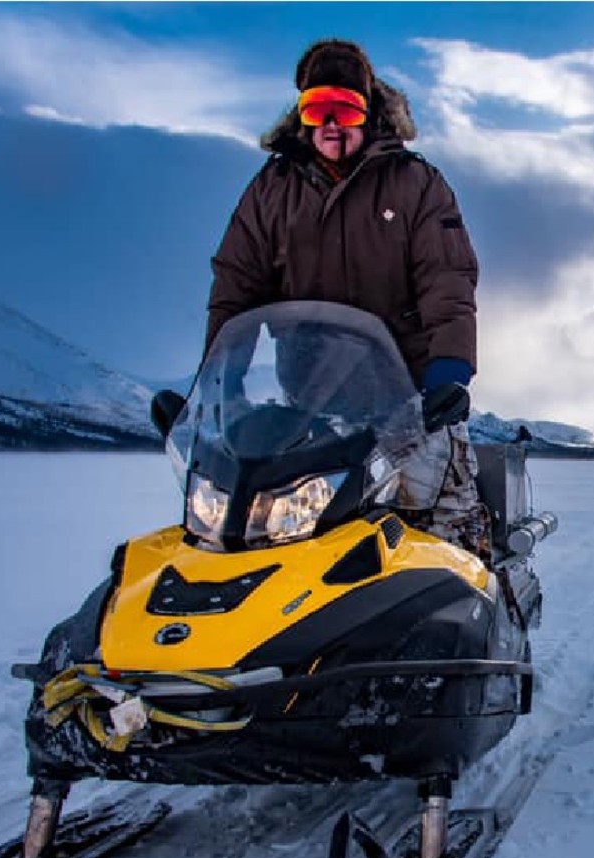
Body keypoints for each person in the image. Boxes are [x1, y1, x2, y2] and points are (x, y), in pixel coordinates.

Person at [205, 38, 490, 560]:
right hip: (312, 402)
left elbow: (446, 279)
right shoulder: (271, 191)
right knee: (287, 532)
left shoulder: (416, 184)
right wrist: (223, 376)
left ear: (369, 110)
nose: (331, 125)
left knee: (448, 525)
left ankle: (482, 623)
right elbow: (235, 286)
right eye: (318, 110)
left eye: (345, 110)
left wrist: (447, 374)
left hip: (412, 398)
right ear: (302, 117)